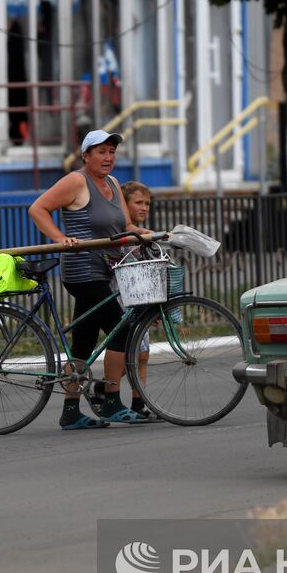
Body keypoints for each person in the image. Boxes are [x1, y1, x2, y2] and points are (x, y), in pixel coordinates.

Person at [28, 131, 153, 429]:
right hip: (83, 271)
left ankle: (70, 412)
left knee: (83, 345)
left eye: (111, 151)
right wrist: (59, 237)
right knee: (123, 332)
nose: (108, 157)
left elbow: (125, 224)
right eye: (101, 152)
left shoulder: (113, 183)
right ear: (86, 156)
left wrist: (143, 233)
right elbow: (37, 208)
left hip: (104, 269)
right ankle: (111, 402)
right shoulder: (76, 181)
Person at [120, 180, 155, 421]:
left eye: (147, 204)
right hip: (125, 299)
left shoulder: (141, 234)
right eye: (138, 203)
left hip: (141, 300)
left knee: (142, 354)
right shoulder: (123, 233)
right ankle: (105, 387)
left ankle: (138, 402)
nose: (144, 208)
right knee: (128, 354)